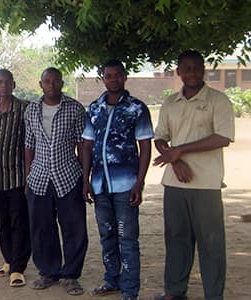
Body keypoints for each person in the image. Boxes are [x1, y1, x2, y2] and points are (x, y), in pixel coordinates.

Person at [153, 50, 234, 300]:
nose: (191, 73)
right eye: (186, 68)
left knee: (211, 244)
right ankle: (175, 292)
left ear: (204, 70)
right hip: (175, 184)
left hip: (206, 185)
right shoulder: (169, 103)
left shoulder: (219, 101)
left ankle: (213, 295)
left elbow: (222, 137)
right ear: (178, 72)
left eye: (196, 68)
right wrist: (175, 161)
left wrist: (180, 151)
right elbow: (160, 138)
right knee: (176, 240)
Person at [82, 60, 154, 300]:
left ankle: (130, 290)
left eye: (117, 75)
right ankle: (111, 279)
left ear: (124, 78)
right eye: (108, 75)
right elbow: (87, 145)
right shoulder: (94, 108)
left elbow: (145, 146)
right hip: (100, 185)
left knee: (127, 237)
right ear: (103, 78)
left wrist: (139, 182)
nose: (112, 79)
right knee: (106, 234)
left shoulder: (136, 108)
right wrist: (86, 180)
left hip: (126, 186)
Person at [24, 67, 88, 295]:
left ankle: (71, 276)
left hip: (68, 176)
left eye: (55, 81)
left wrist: (85, 178)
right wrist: (27, 176)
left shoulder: (75, 108)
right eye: (47, 81)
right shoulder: (31, 110)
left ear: (62, 84)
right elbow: (28, 145)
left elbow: (83, 145)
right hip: (39, 178)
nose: (51, 85)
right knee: (42, 228)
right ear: (40, 85)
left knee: (74, 228)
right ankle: (48, 272)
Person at [0, 69, 31, 288]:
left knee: (20, 221)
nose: (3, 86)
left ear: (13, 84)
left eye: (7, 82)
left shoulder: (25, 109)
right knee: (2, 222)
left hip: (19, 176)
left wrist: (30, 174)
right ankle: (9, 260)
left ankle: (19, 268)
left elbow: (31, 143)